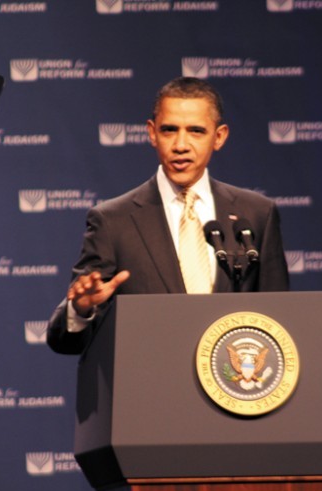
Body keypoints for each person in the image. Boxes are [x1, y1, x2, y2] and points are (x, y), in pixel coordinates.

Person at [47, 77, 289, 354]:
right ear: (152, 133)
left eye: (196, 131)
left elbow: (279, 321)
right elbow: (64, 342)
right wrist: (80, 308)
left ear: (219, 136)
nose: (181, 145)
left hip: (235, 385)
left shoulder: (256, 214)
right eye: (169, 130)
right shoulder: (113, 221)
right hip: (149, 386)